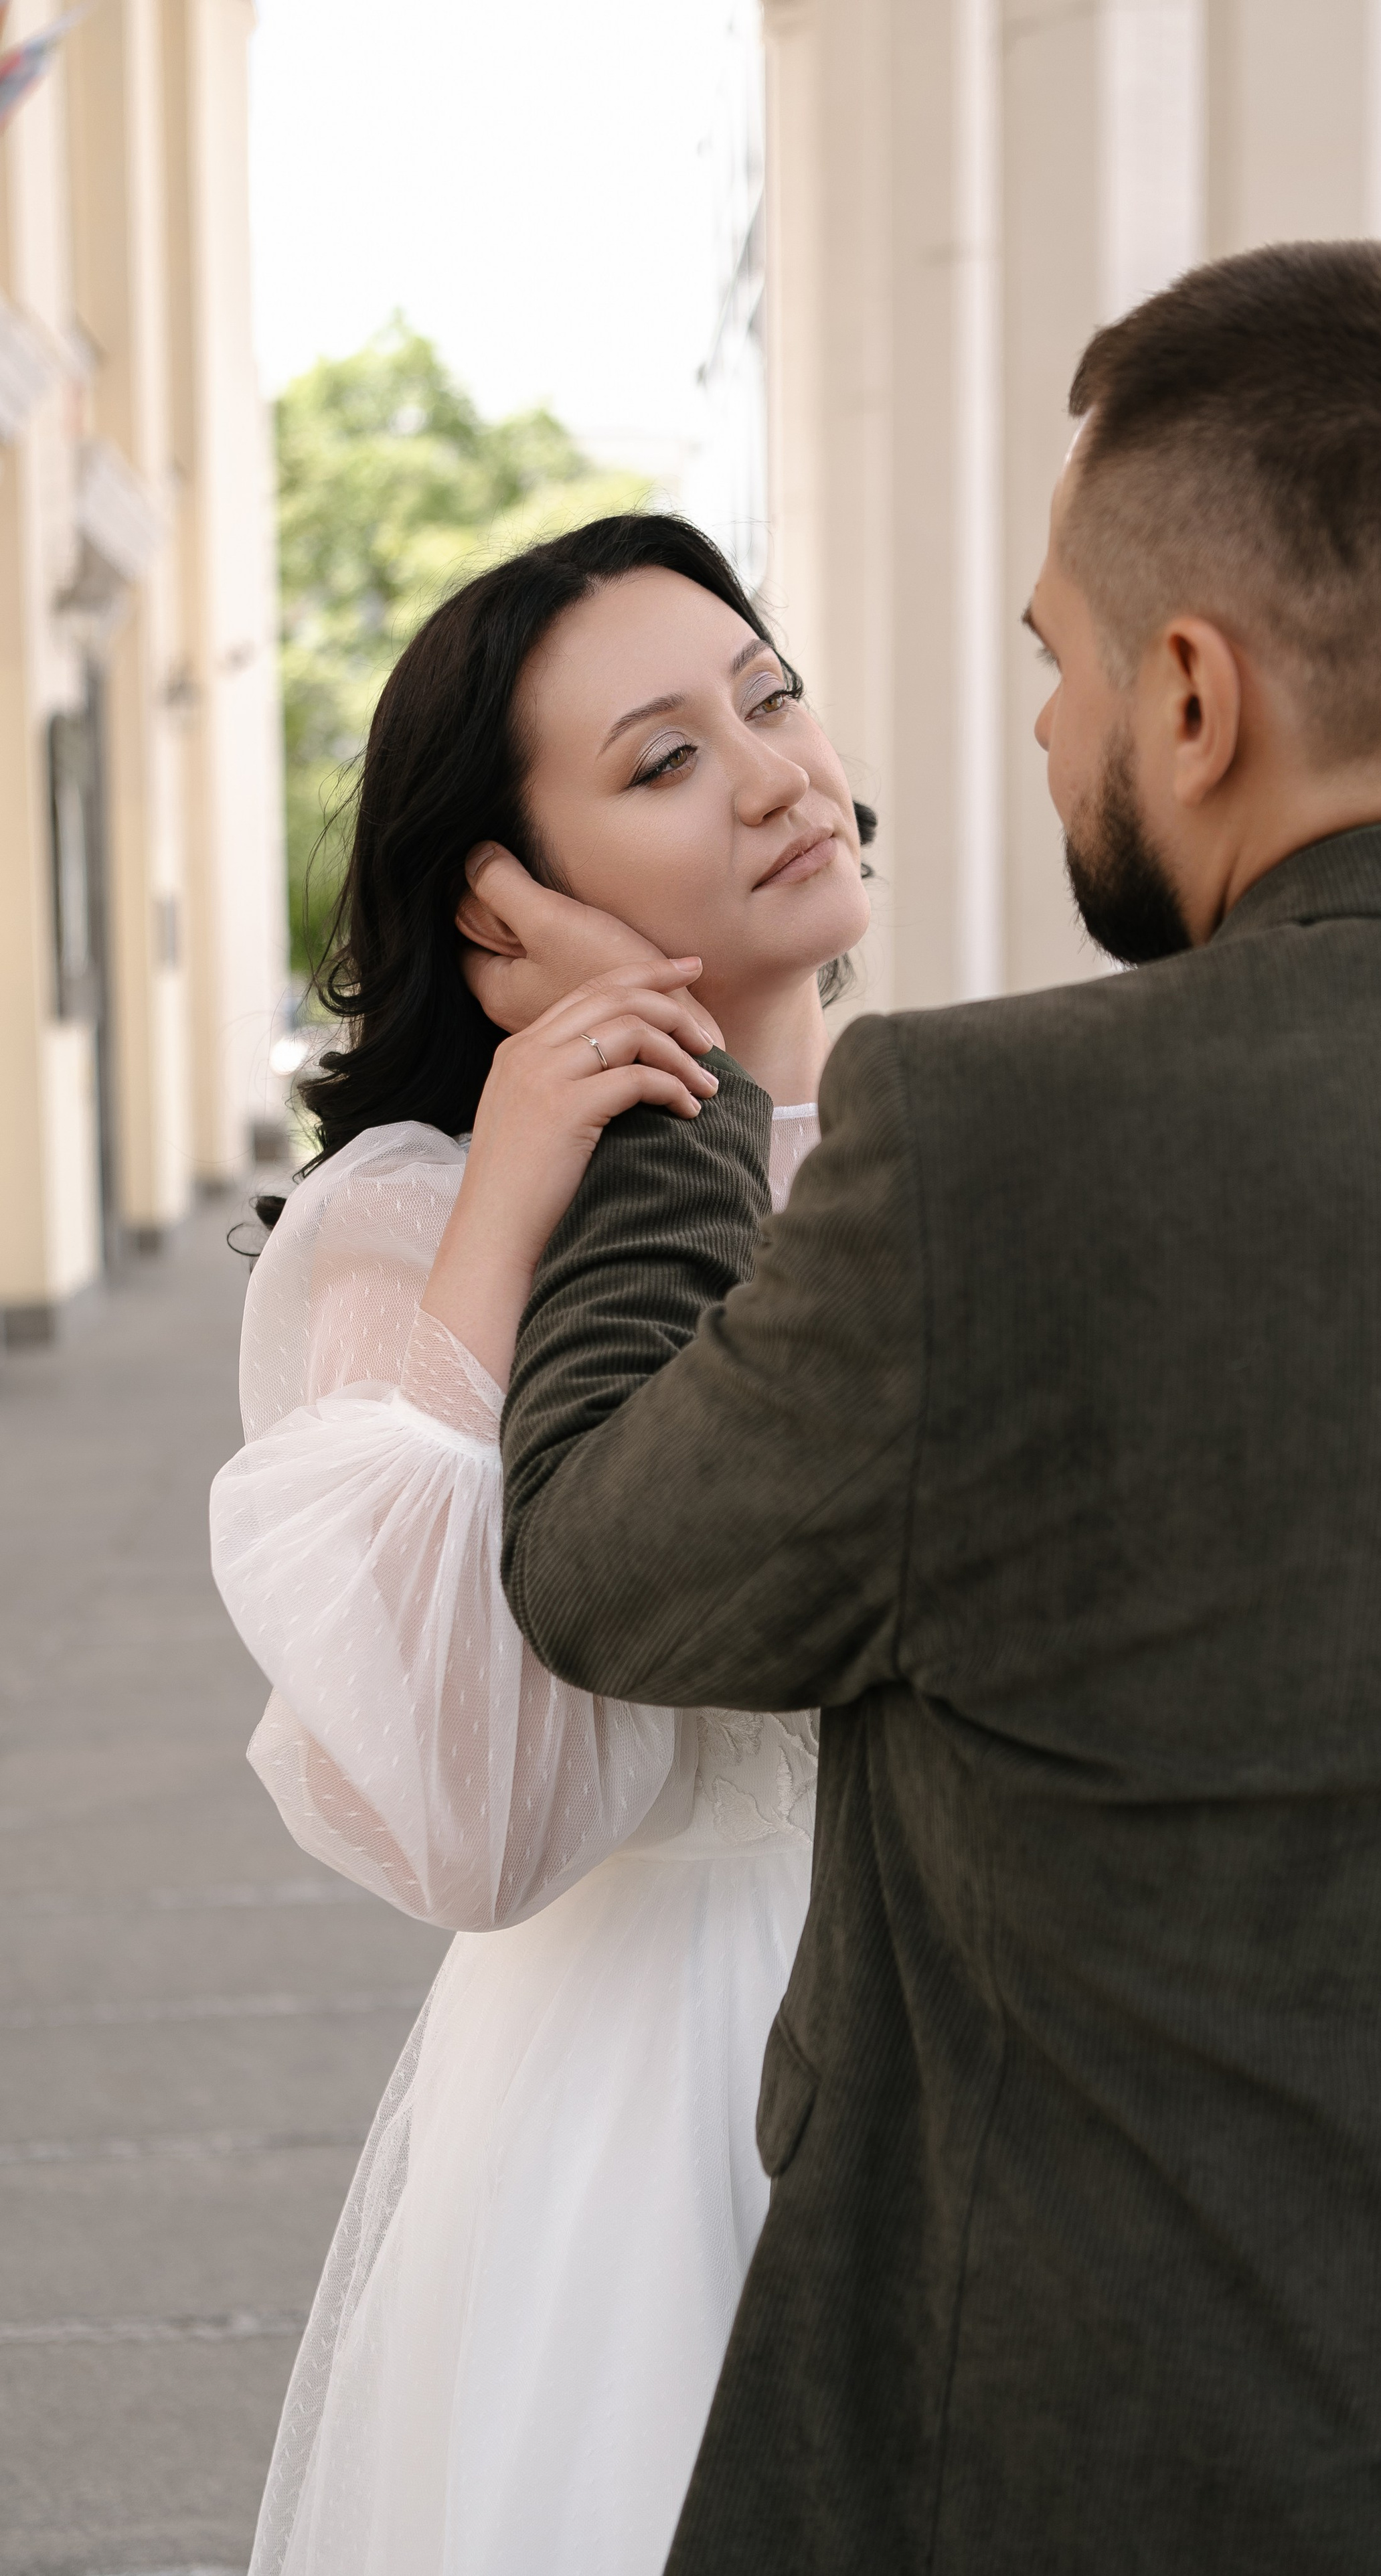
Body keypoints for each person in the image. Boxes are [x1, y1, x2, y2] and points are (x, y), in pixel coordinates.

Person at [499, 242, 1381, 2573]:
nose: (1044, 734)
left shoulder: (982, 1143)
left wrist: (654, 1109)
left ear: (1191, 692)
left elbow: (598, 1567)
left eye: (1053, 664)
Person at [210, 513, 872, 2575]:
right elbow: (468, 1816)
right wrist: (521, 1181)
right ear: (503, 910)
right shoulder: (410, 1220)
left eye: (770, 699)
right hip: (636, 2073)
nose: (772, 770)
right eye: (663, 759)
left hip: (946, 2045)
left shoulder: (929, 1159)